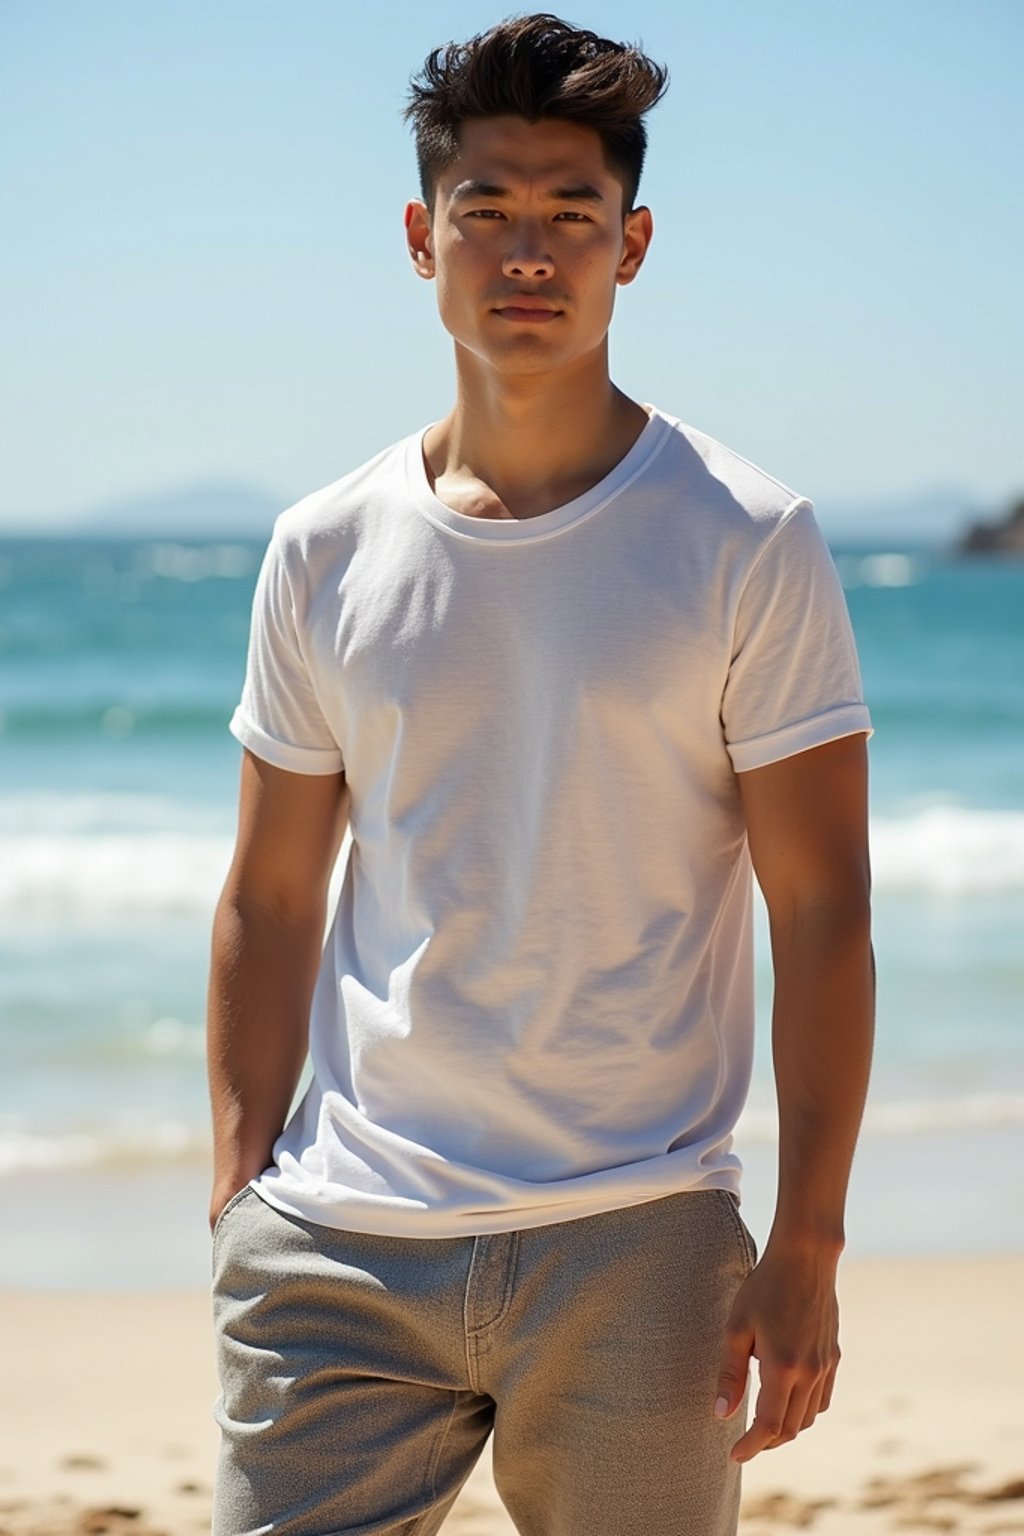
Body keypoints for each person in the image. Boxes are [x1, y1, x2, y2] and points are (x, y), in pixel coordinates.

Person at [207, 14, 874, 1536]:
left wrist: (811, 1240)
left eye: (571, 216)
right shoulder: (323, 548)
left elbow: (823, 905)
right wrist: (241, 1186)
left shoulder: (746, 537)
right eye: (486, 212)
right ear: (418, 238)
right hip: (339, 1245)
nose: (528, 251)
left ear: (632, 246)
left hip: (636, 1239)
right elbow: (270, 887)